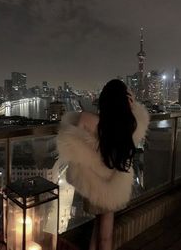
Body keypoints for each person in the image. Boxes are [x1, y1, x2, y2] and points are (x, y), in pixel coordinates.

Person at [57, 79, 149, 250]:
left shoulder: (86, 118)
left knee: (97, 227)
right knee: (105, 237)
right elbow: (141, 123)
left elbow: (75, 145)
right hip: (111, 185)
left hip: (92, 183)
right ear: (124, 101)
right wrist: (133, 104)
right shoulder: (128, 125)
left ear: (103, 100)